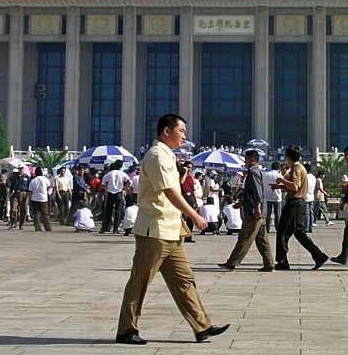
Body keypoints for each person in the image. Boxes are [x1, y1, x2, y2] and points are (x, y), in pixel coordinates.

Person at [116, 113, 229, 345]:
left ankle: (202, 326)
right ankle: (126, 330)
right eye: (181, 131)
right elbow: (169, 191)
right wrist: (195, 215)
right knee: (140, 282)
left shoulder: (168, 155)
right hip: (154, 231)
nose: (184, 136)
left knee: (184, 279)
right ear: (166, 131)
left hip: (171, 230)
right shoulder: (157, 155)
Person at [273, 146, 329, 271]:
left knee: (282, 231)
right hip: (299, 203)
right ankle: (318, 255)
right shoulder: (299, 168)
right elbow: (294, 187)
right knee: (298, 232)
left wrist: (282, 180)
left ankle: (282, 261)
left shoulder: (296, 169)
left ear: (288, 157)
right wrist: (281, 186)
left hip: (294, 203)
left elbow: (295, 187)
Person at [219, 149, 274, 271]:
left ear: (252, 159)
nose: (245, 161)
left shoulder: (253, 172)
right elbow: (250, 193)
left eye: (246, 158)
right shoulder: (257, 172)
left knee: (245, 237)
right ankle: (269, 263)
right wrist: (242, 203)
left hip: (254, 212)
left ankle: (232, 262)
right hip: (257, 210)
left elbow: (257, 192)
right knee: (262, 239)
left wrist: (257, 208)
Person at [101, 161, 130, 234]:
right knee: (118, 212)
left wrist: (107, 189)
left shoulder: (108, 174)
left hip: (110, 193)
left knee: (108, 211)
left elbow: (103, 184)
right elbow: (129, 181)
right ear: (120, 166)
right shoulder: (122, 174)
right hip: (119, 193)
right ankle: (115, 229)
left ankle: (104, 228)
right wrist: (124, 188)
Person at [28, 167, 52, 232]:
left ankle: (37, 228)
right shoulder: (45, 179)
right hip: (44, 199)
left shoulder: (33, 180)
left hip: (35, 199)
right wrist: (46, 192)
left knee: (36, 214)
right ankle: (48, 228)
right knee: (45, 214)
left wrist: (30, 200)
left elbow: (30, 191)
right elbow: (49, 186)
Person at [263, 162, 282, 233]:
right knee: (277, 214)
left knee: (268, 214)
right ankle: (278, 228)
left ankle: (267, 228)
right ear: (278, 168)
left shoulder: (266, 175)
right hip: (277, 197)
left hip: (267, 196)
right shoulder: (279, 175)